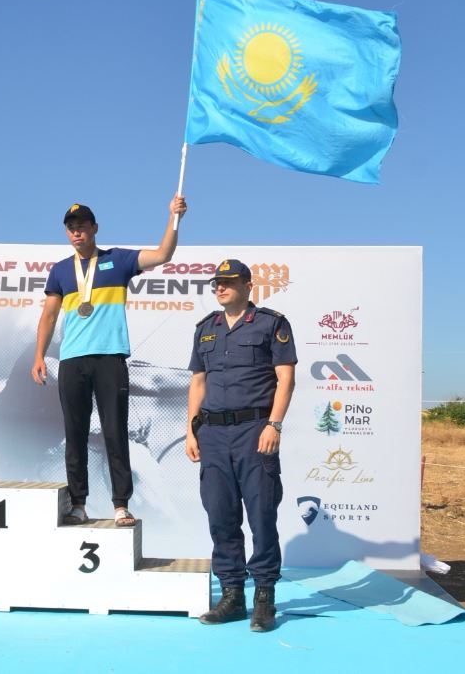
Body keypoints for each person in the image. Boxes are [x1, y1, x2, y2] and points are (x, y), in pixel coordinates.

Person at [32, 197, 187, 527]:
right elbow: (48, 316)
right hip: (73, 360)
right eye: (71, 229)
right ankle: (78, 504)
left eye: (82, 227)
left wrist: (174, 218)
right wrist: (39, 356)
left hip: (109, 358)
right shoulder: (60, 270)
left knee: (115, 432)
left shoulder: (118, 260)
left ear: (95, 228)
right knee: (75, 435)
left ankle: (121, 504)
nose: (77, 233)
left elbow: (163, 254)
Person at [185, 259, 297, 632]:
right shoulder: (206, 329)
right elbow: (198, 383)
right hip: (213, 434)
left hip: (254, 430)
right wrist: (191, 431)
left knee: (262, 514)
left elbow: (285, 379)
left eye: (229, 282)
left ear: (248, 285)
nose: (220, 287)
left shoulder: (271, 323)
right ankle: (232, 595)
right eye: (217, 283)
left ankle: (264, 597)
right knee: (220, 515)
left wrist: (274, 424)